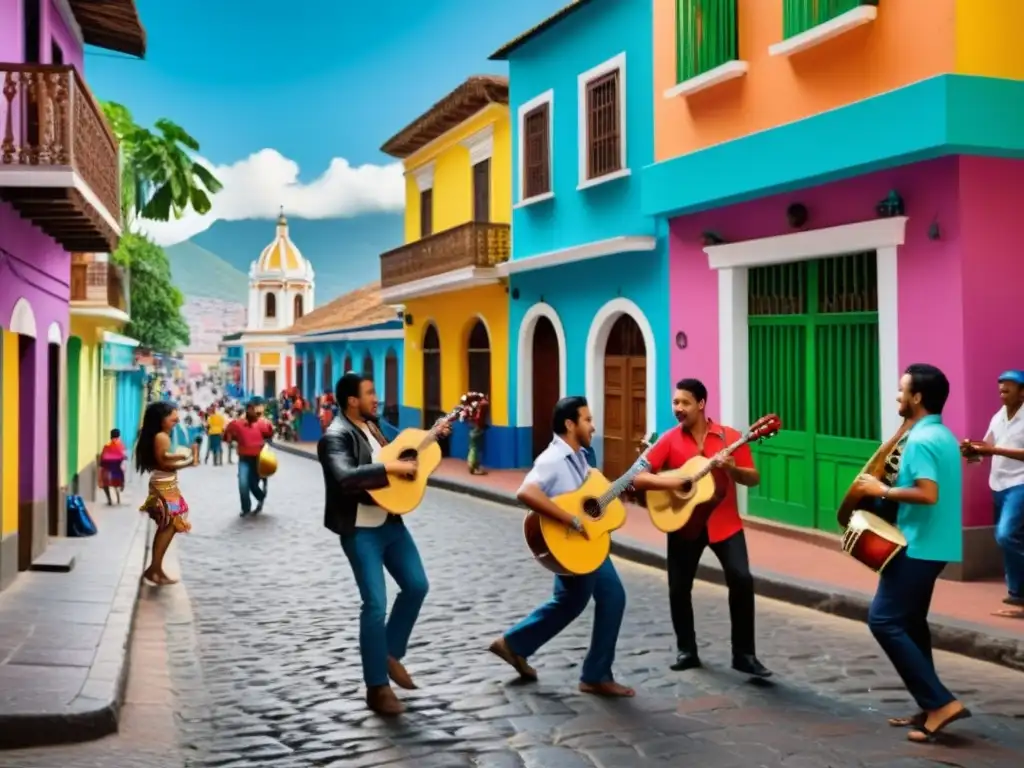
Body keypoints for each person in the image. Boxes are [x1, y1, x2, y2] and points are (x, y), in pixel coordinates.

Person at [318, 372, 448, 716]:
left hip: (391, 522)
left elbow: (408, 451)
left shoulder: (375, 426)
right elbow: (346, 477)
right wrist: (390, 466)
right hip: (360, 530)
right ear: (351, 401)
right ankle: (377, 687)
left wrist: (434, 437)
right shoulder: (335, 437)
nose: (377, 398)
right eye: (370, 393)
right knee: (375, 604)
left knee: (417, 585)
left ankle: (390, 653)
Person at [853, 363, 971, 743]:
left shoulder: (919, 440)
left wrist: (879, 490)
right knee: (912, 623)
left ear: (917, 397)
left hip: (916, 546)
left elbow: (928, 493)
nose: (897, 396)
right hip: (934, 545)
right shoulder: (941, 434)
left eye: (902, 390)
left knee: (884, 620)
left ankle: (940, 703)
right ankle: (928, 702)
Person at [489, 396, 634, 698]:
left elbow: (590, 495)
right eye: (587, 420)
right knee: (591, 600)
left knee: (590, 600)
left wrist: (623, 486)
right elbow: (526, 491)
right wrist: (570, 519)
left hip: (583, 545)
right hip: (571, 542)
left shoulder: (580, 456)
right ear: (570, 424)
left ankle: (516, 645)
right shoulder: (553, 458)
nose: (593, 426)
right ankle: (593, 675)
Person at [632, 378, 771, 678]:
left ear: (701, 404)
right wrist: (675, 482)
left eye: (684, 403)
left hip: (725, 521)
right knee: (679, 588)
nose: (678, 408)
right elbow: (639, 478)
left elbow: (753, 478)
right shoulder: (668, 440)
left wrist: (731, 468)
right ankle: (687, 650)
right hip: (683, 523)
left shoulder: (728, 437)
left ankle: (744, 655)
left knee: (742, 580)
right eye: (675, 403)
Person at [962, 369, 1024, 619]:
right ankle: (1017, 593)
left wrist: (994, 450)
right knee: (1011, 539)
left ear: (1022, 392)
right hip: (998, 484)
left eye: (1007, 389)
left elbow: (995, 449)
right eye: (1000, 389)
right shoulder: (998, 416)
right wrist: (971, 450)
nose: (1002, 393)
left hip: (1020, 483)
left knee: (1006, 535)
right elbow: (986, 446)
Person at [136, 402, 198, 585]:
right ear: (162, 420)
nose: (176, 422)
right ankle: (154, 569)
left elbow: (162, 457)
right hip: (164, 485)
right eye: (173, 419)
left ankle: (156, 568)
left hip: (164, 483)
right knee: (169, 524)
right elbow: (165, 464)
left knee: (168, 524)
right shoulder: (162, 437)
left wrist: (180, 456)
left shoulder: (159, 436)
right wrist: (189, 461)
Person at [225, 398, 274, 517]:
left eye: (256, 408)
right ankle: (246, 508)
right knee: (243, 483)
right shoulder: (236, 424)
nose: (254, 411)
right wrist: (232, 438)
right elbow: (227, 435)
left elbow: (269, 434)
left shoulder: (262, 423)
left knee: (252, 483)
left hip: (259, 459)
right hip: (244, 458)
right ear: (247, 410)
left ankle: (260, 497)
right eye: (252, 409)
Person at [99, 429, 127, 505]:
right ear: (119, 436)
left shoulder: (107, 445)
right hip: (117, 469)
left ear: (110, 436)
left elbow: (102, 457)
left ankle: (109, 499)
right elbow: (124, 456)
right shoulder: (121, 445)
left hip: (107, 469)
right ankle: (118, 498)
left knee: (106, 484)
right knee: (116, 483)